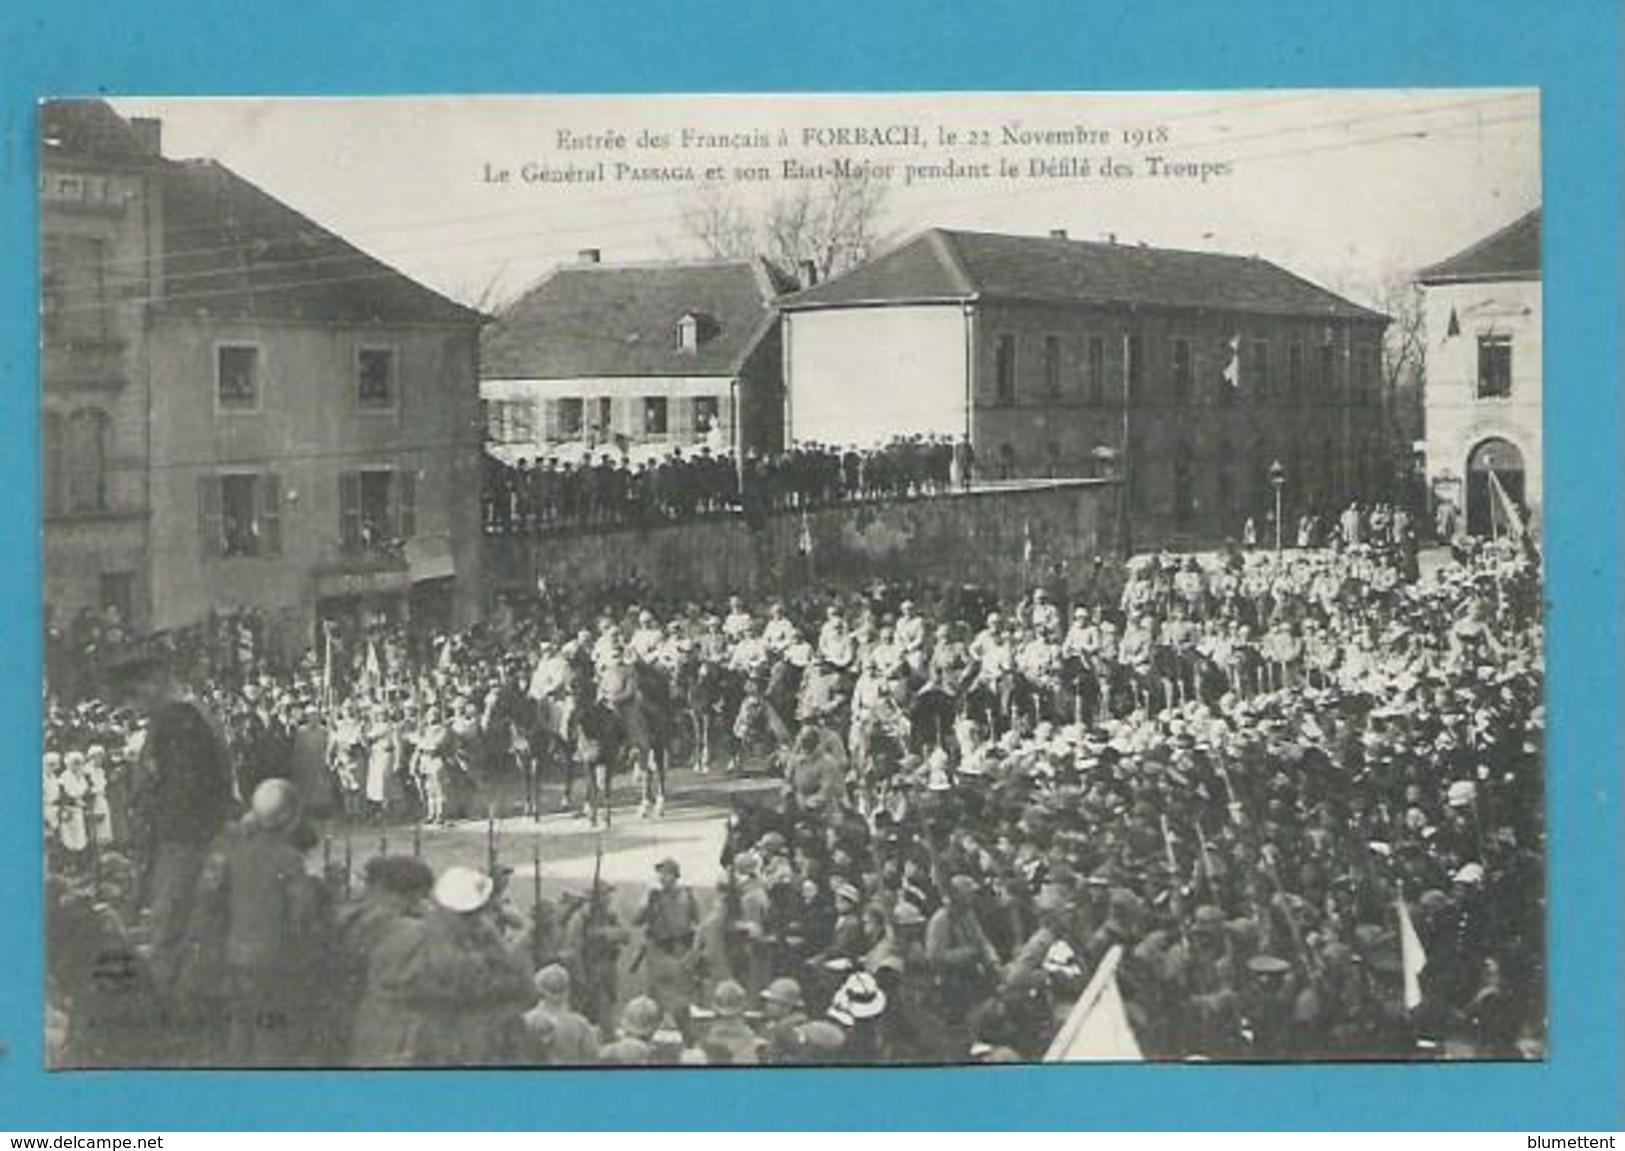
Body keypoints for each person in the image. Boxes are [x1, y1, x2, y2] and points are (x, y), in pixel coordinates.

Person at [110, 653, 235, 995]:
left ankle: (167, 1012)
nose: (130, 706)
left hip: (183, 842)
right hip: (183, 839)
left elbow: (185, 792)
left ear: (156, 683)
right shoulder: (183, 717)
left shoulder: (180, 720)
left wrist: (156, 836)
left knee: (171, 929)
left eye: (132, 695)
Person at [348, 866, 534, 1067]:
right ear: (474, 914)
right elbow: (521, 989)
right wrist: (522, 933)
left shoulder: (400, 935)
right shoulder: (458, 958)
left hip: (379, 1049)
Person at [213, 779, 322, 1067]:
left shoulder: (236, 852)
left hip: (236, 953)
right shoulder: (288, 859)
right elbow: (303, 912)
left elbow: (215, 901)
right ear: (288, 817)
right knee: (270, 1036)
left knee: (240, 1029)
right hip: (273, 959)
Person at [635, 857, 700, 1031]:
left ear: (675, 876)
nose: (663, 877)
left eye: (667, 873)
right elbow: (636, 920)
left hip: (680, 947)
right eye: (661, 874)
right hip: (658, 947)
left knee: (680, 988)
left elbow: (697, 921)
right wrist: (647, 901)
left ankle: (679, 1024)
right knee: (655, 988)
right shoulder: (653, 896)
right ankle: (653, 1022)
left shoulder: (687, 894)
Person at [523, 964, 600, 1065]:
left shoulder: (524, 1022)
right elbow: (592, 1061)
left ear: (539, 989)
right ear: (567, 991)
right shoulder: (580, 1025)